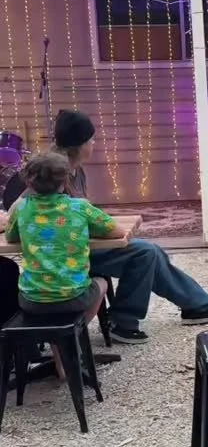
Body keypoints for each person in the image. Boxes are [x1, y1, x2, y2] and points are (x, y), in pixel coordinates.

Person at [5, 110, 208, 344]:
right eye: (91, 140)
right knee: (145, 253)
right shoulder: (53, 171)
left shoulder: (74, 168)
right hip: (67, 255)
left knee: (149, 251)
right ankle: (125, 321)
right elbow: (18, 207)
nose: (94, 144)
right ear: (80, 145)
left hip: (77, 248)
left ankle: (195, 307)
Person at [5, 153, 126, 377]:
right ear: (64, 181)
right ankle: (70, 338)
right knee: (101, 283)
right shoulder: (79, 207)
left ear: (29, 183)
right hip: (73, 296)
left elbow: (11, 236)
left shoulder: (22, 208)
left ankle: (60, 349)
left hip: (31, 299)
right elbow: (117, 231)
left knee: (49, 297)